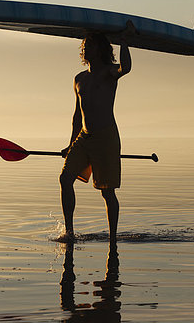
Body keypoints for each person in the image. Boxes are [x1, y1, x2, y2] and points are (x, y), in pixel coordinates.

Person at [58, 22, 135, 244]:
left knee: (107, 192)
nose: (85, 48)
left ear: (100, 49)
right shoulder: (79, 79)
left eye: (90, 44)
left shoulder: (109, 73)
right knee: (64, 179)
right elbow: (76, 116)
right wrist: (70, 144)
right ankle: (69, 232)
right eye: (84, 45)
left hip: (106, 138)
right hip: (83, 138)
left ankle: (112, 238)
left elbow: (126, 68)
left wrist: (124, 39)